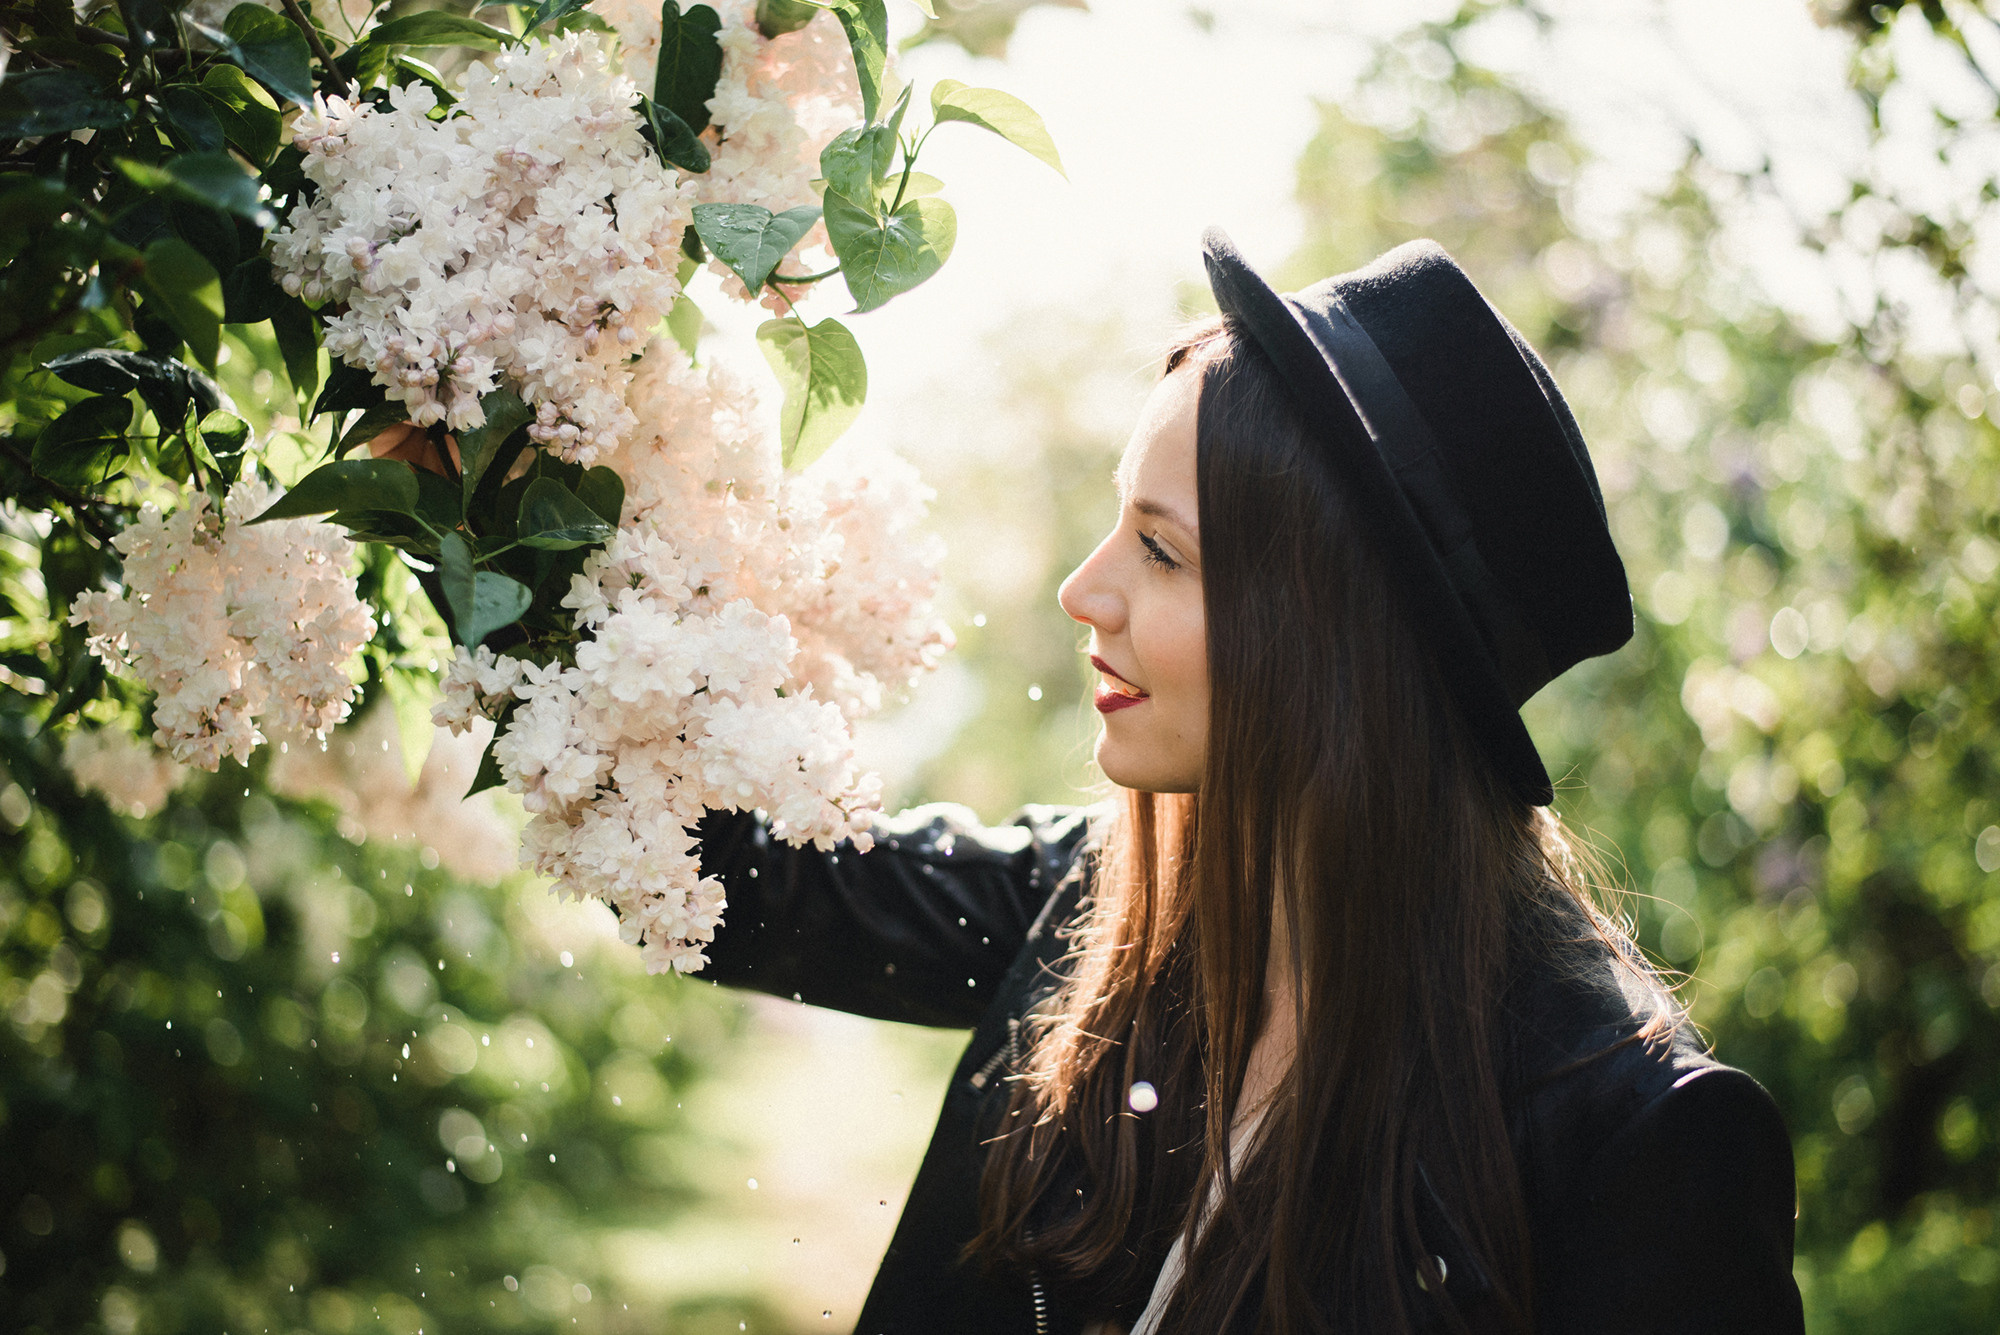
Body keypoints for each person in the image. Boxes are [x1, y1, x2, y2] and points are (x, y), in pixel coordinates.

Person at [693, 231, 1805, 1334]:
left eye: (1160, 552)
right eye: (1115, 526)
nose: (1085, 591)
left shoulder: (1629, 1145)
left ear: (1337, 637)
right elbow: (732, 882)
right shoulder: (1092, 909)